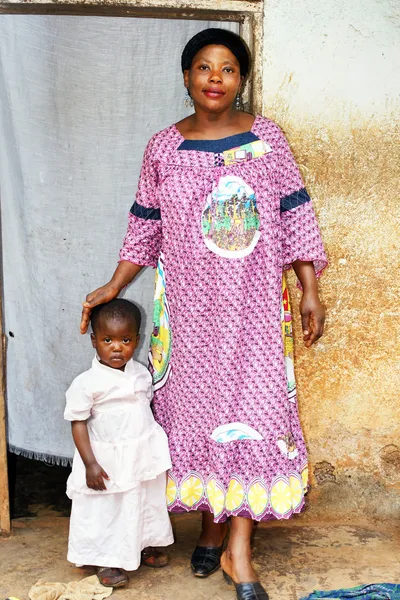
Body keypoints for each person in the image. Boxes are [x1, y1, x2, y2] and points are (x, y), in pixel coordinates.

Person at [80, 28, 327, 600]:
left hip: (258, 309)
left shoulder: (267, 139)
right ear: (187, 77)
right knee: (198, 414)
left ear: (241, 81)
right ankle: (213, 527)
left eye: (228, 69)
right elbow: (145, 227)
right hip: (189, 314)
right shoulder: (164, 146)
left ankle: (238, 553)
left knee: (255, 413)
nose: (216, 78)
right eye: (203, 67)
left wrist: (309, 288)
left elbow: (295, 214)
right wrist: (111, 287)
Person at [65, 299, 173, 588]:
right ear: (94, 341)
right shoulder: (86, 383)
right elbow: (77, 423)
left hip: (139, 456)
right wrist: (90, 464)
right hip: (105, 461)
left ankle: (143, 543)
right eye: (108, 339)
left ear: (136, 341)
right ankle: (106, 558)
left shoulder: (140, 374)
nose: (117, 347)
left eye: (125, 340)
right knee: (108, 508)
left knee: (142, 499)